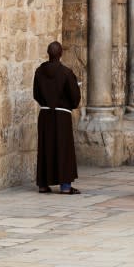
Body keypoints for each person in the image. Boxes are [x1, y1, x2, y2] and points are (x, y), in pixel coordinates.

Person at [33, 41, 82, 194]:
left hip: (45, 114)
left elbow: (36, 94)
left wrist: (47, 103)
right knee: (63, 149)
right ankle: (65, 186)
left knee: (45, 148)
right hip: (62, 116)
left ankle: (43, 184)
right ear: (61, 54)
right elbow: (74, 98)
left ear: (49, 53)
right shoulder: (66, 73)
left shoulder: (39, 72)